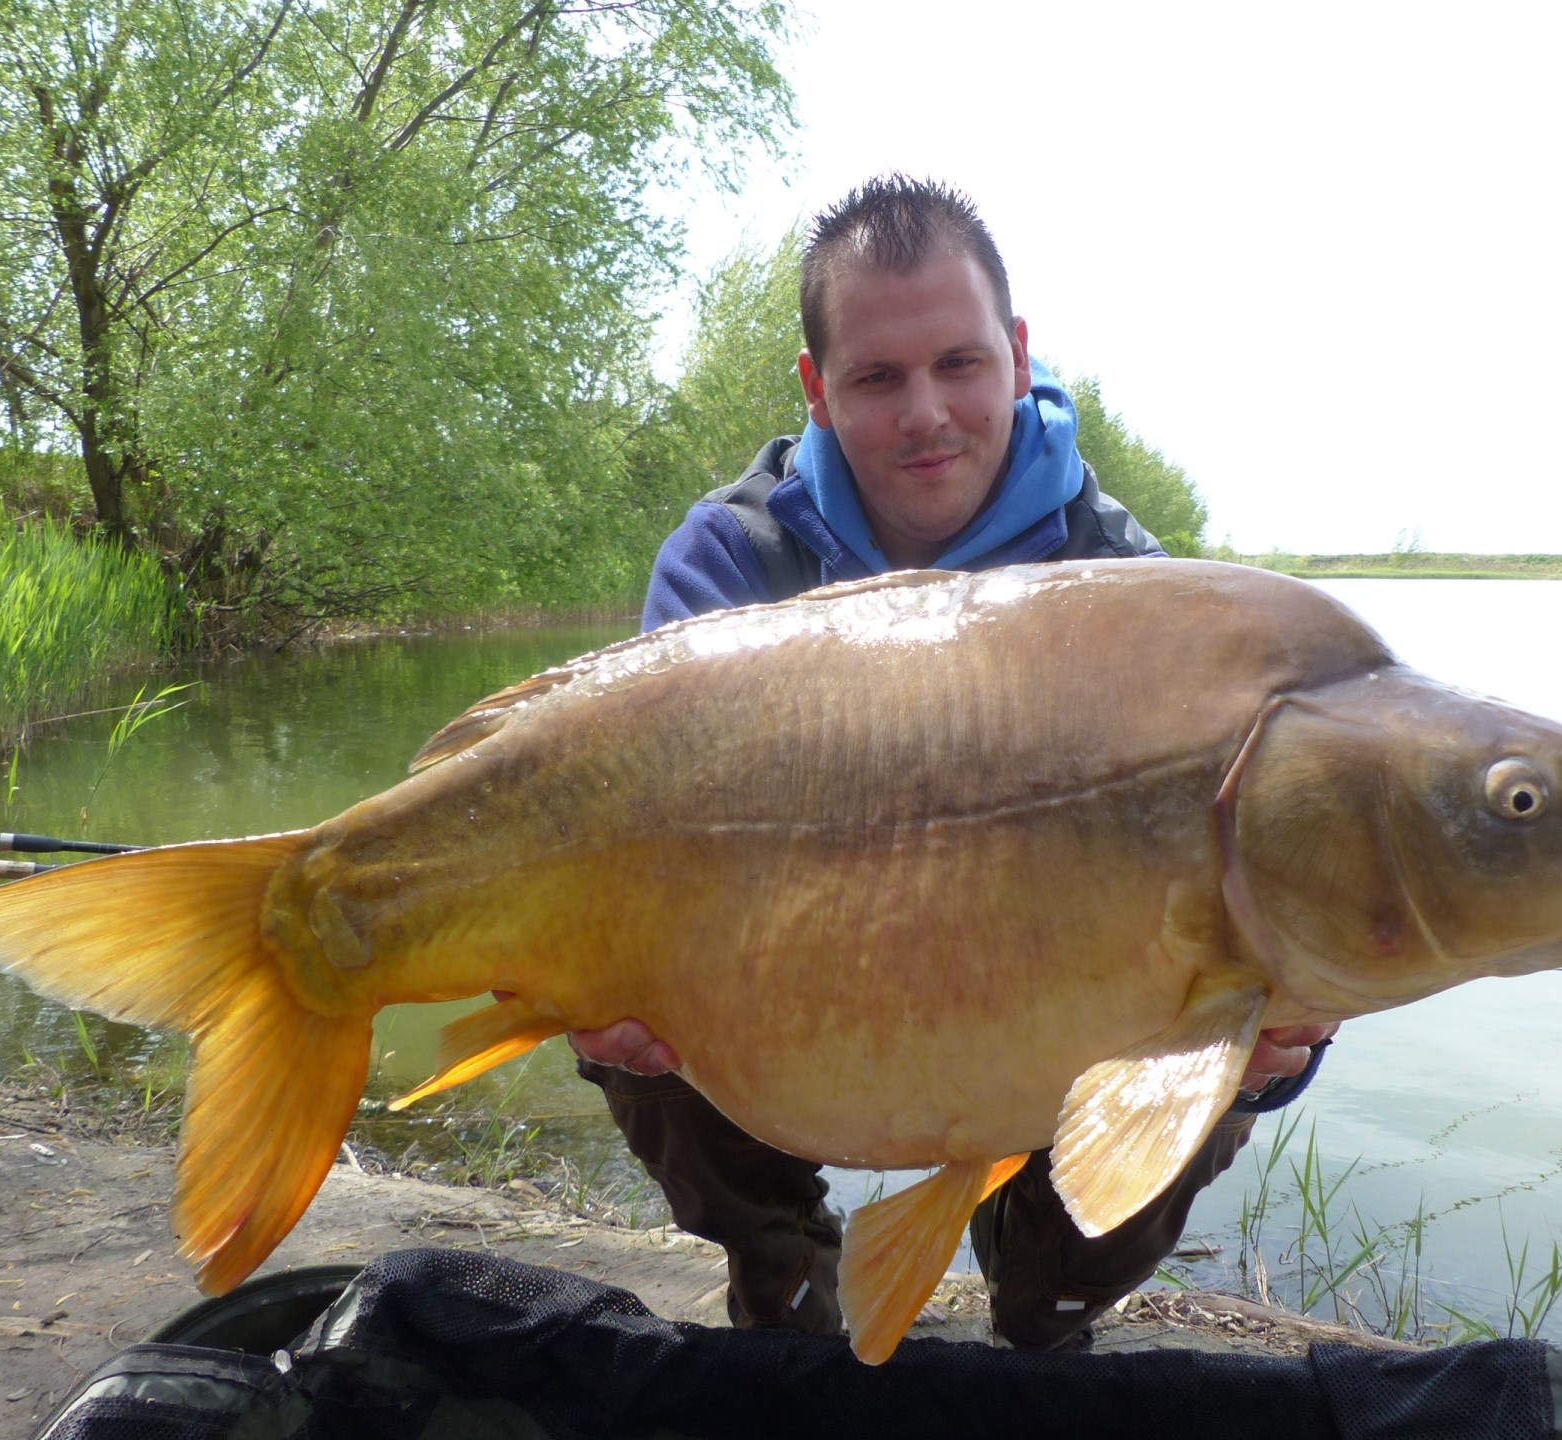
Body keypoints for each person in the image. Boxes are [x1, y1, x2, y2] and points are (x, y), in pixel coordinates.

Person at [571, 174, 1336, 1350]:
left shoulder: (1135, 590)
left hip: (1056, 1007)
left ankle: (1047, 1297)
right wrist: (578, 990)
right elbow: (617, 830)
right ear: (819, 391)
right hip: (799, 1004)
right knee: (636, 990)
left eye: (959, 364)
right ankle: (779, 1270)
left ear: (1017, 356)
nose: (926, 411)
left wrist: (1272, 1051)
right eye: (878, 377)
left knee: (1214, 1063)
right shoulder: (732, 561)